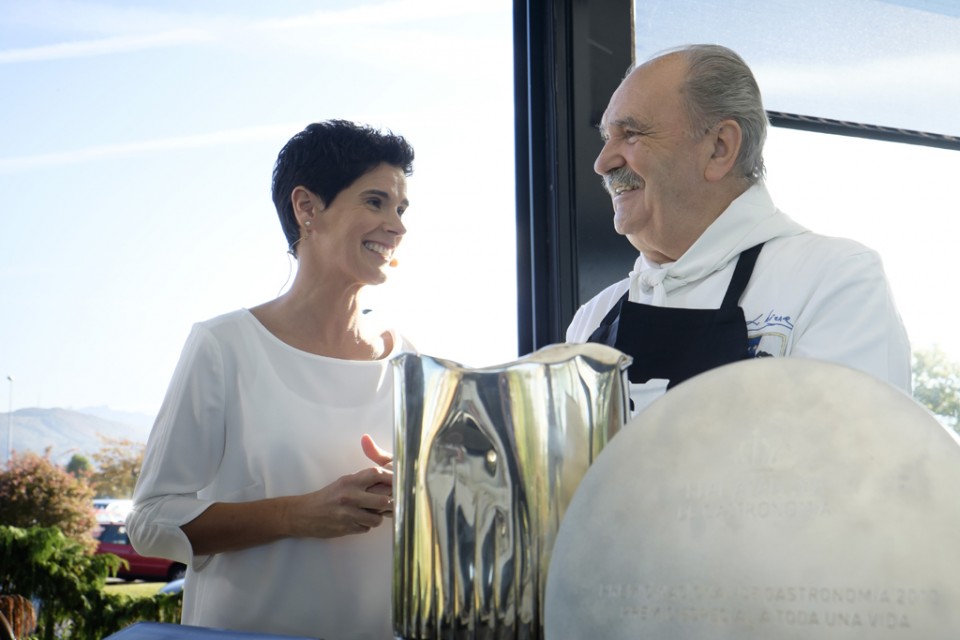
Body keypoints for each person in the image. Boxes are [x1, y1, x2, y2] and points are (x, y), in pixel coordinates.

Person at [127, 120, 414, 639]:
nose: (396, 225)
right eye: (375, 202)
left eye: (400, 208)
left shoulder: (411, 364)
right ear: (307, 207)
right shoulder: (224, 346)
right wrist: (297, 514)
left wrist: (421, 488)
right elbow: (149, 522)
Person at [565, 44, 911, 415]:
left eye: (631, 133)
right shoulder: (593, 318)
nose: (602, 163)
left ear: (719, 147)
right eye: (606, 138)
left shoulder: (834, 278)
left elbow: (851, 463)